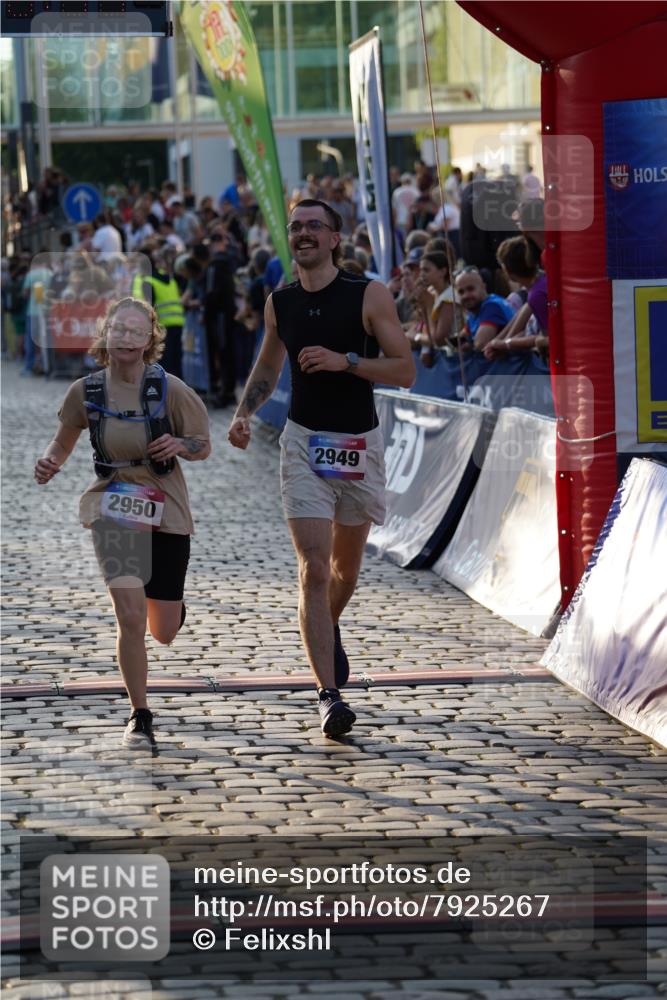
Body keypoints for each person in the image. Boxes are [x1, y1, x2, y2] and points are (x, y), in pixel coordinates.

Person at [228, 199, 415, 737]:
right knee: (312, 566)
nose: (303, 233)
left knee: (344, 572)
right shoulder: (279, 301)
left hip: (359, 444)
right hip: (304, 442)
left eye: (315, 226)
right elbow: (269, 363)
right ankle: (328, 695)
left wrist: (347, 362)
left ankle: (325, 625)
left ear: (335, 238)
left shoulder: (367, 294)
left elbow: (405, 370)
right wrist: (245, 413)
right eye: (296, 227)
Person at [34, 297, 211, 749]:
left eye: (136, 330)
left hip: (165, 503)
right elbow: (63, 441)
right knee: (129, 616)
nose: (126, 337)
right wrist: (50, 462)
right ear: (105, 336)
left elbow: (202, 444)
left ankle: (171, 610)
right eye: (118, 329)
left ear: (150, 339)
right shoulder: (86, 391)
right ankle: (140, 713)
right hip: (113, 503)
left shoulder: (170, 389)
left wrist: (179, 445)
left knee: (162, 630)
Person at [454, 266, 515, 352]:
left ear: (483, 287)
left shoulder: (492, 306)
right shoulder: (474, 309)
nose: (465, 295)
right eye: (461, 292)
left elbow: (480, 344)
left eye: (470, 289)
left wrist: (467, 346)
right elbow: (461, 339)